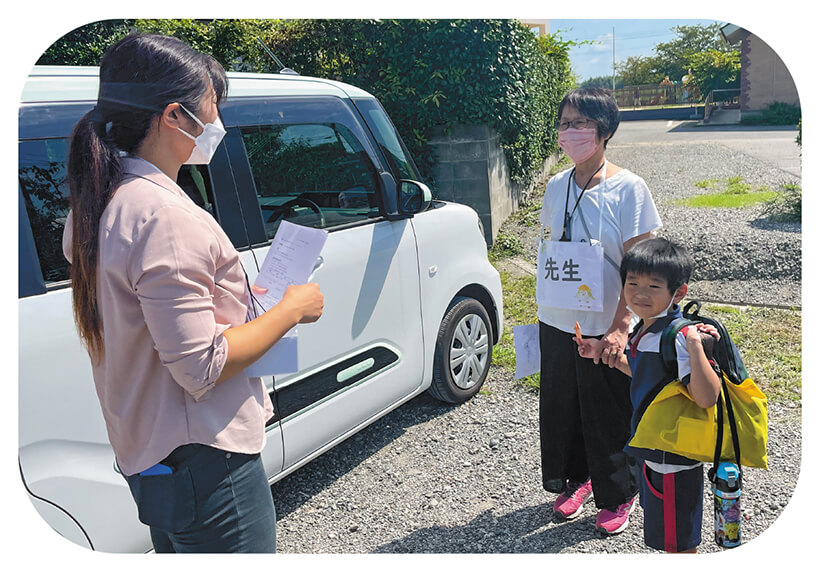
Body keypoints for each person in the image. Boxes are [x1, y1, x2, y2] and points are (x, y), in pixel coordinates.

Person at [63, 33, 324, 553]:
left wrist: (236, 299)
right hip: (207, 461)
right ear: (174, 116)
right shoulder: (165, 216)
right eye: (212, 105)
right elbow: (200, 366)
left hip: (153, 455)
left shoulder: (99, 203)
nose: (218, 121)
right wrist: (292, 308)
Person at [536, 88, 662, 535]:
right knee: (563, 408)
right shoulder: (556, 186)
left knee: (606, 409)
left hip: (605, 325)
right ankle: (578, 478)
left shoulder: (628, 188)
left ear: (604, 131)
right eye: (564, 123)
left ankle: (618, 493)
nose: (570, 133)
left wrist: (620, 326)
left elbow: (640, 265)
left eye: (581, 124)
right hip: (557, 321)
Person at [574, 238, 722, 553]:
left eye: (653, 287)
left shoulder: (679, 337)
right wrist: (600, 353)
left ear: (678, 292)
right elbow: (649, 375)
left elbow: (706, 397)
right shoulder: (648, 329)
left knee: (678, 545)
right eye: (632, 283)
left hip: (674, 458)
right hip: (655, 449)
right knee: (669, 538)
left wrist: (695, 346)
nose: (640, 293)